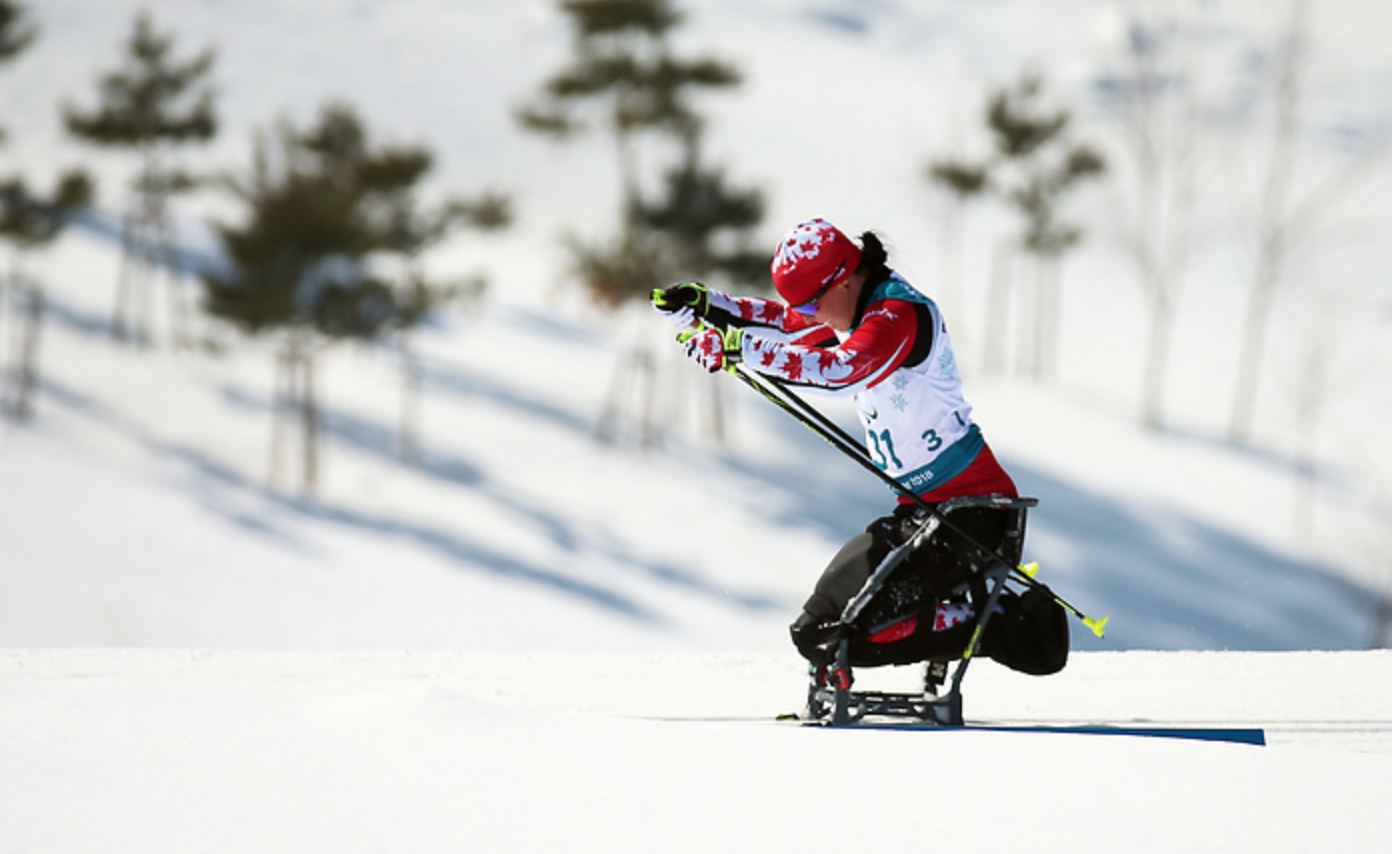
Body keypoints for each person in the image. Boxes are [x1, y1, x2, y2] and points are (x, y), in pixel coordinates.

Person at [651, 218, 1025, 672]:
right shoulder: (852, 305)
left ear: (845, 279)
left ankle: (1002, 623)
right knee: (816, 630)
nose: (809, 317)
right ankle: (971, 621)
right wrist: (707, 306)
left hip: (973, 517)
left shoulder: (897, 315)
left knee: (846, 635)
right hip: (920, 513)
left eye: (812, 304)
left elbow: (840, 372)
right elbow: (786, 325)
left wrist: (739, 348)